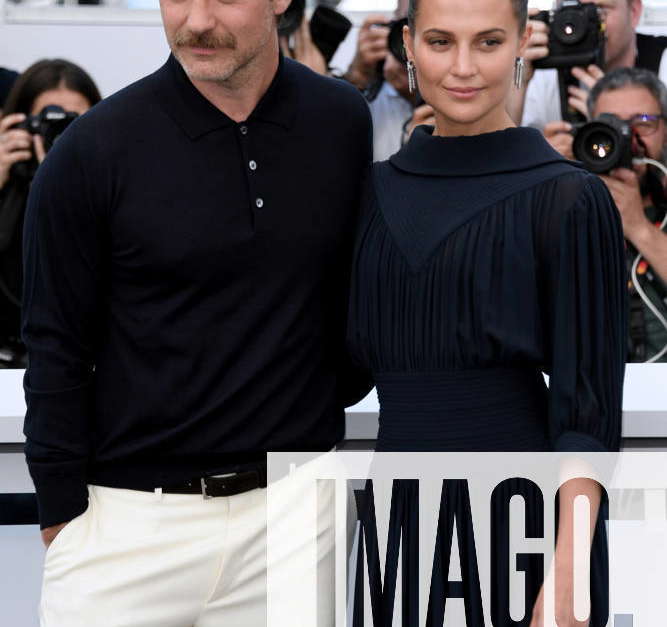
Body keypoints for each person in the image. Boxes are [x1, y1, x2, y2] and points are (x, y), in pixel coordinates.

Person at [21, 0, 371, 623]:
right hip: (126, 528)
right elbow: (55, 344)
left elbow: (348, 294)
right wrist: (63, 515)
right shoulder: (92, 149)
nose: (198, 20)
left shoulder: (340, 120)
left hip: (293, 521)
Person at [346, 0, 626, 624]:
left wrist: (568, 575)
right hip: (396, 528)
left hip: (525, 536)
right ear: (409, 44)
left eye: (489, 42)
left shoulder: (569, 198)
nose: (464, 67)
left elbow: (589, 412)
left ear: (523, 40)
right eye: (442, 42)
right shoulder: (367, 195)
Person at [0, 59, 101, 368]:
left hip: (76, 363)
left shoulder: (110, 188)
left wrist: (62, 186)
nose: (61, 137)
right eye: (50, 123)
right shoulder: (6, 182)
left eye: (74, 124)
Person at [514, 0, 667, 155]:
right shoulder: (542, 70)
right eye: (572, 11)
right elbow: (504, 150)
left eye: (599, 10)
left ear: (634, 12)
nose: (583, 23)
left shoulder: (663, 63)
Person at [587, 67, 667, 361]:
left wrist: (638, 227)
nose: (626, 137)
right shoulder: (563, 203)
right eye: (610, 124)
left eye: (643, 122)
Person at [344, 4, 434, 160]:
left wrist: (418, 94)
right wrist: (357, 78)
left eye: (437, 39)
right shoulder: (368, 95)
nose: (412, 44)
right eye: (408, 23)